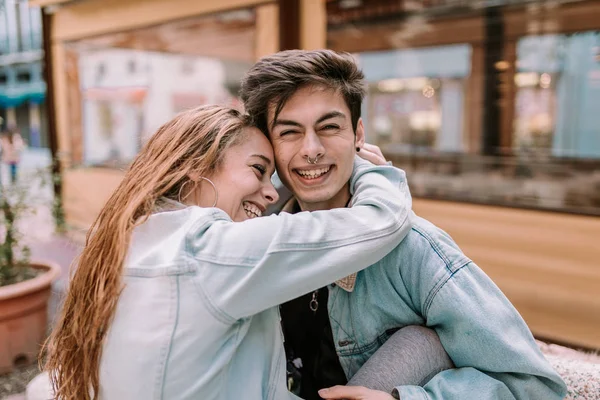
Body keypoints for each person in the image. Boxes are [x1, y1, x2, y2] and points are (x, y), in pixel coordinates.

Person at [240, 49, 567, 400]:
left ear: (358, 134)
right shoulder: (251, 237)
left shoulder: (415, 250)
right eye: (290, 132)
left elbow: (535, 387)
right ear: (269, 146)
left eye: (330, 127)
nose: (312, 149)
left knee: (419, 343)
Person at [43, 105, 415, 400]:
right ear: (195, 167)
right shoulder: (211, 251)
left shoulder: (126, 243)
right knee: (420, 342)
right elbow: (381, 221)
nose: (272, 195)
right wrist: (363, 165)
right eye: (258, 170)